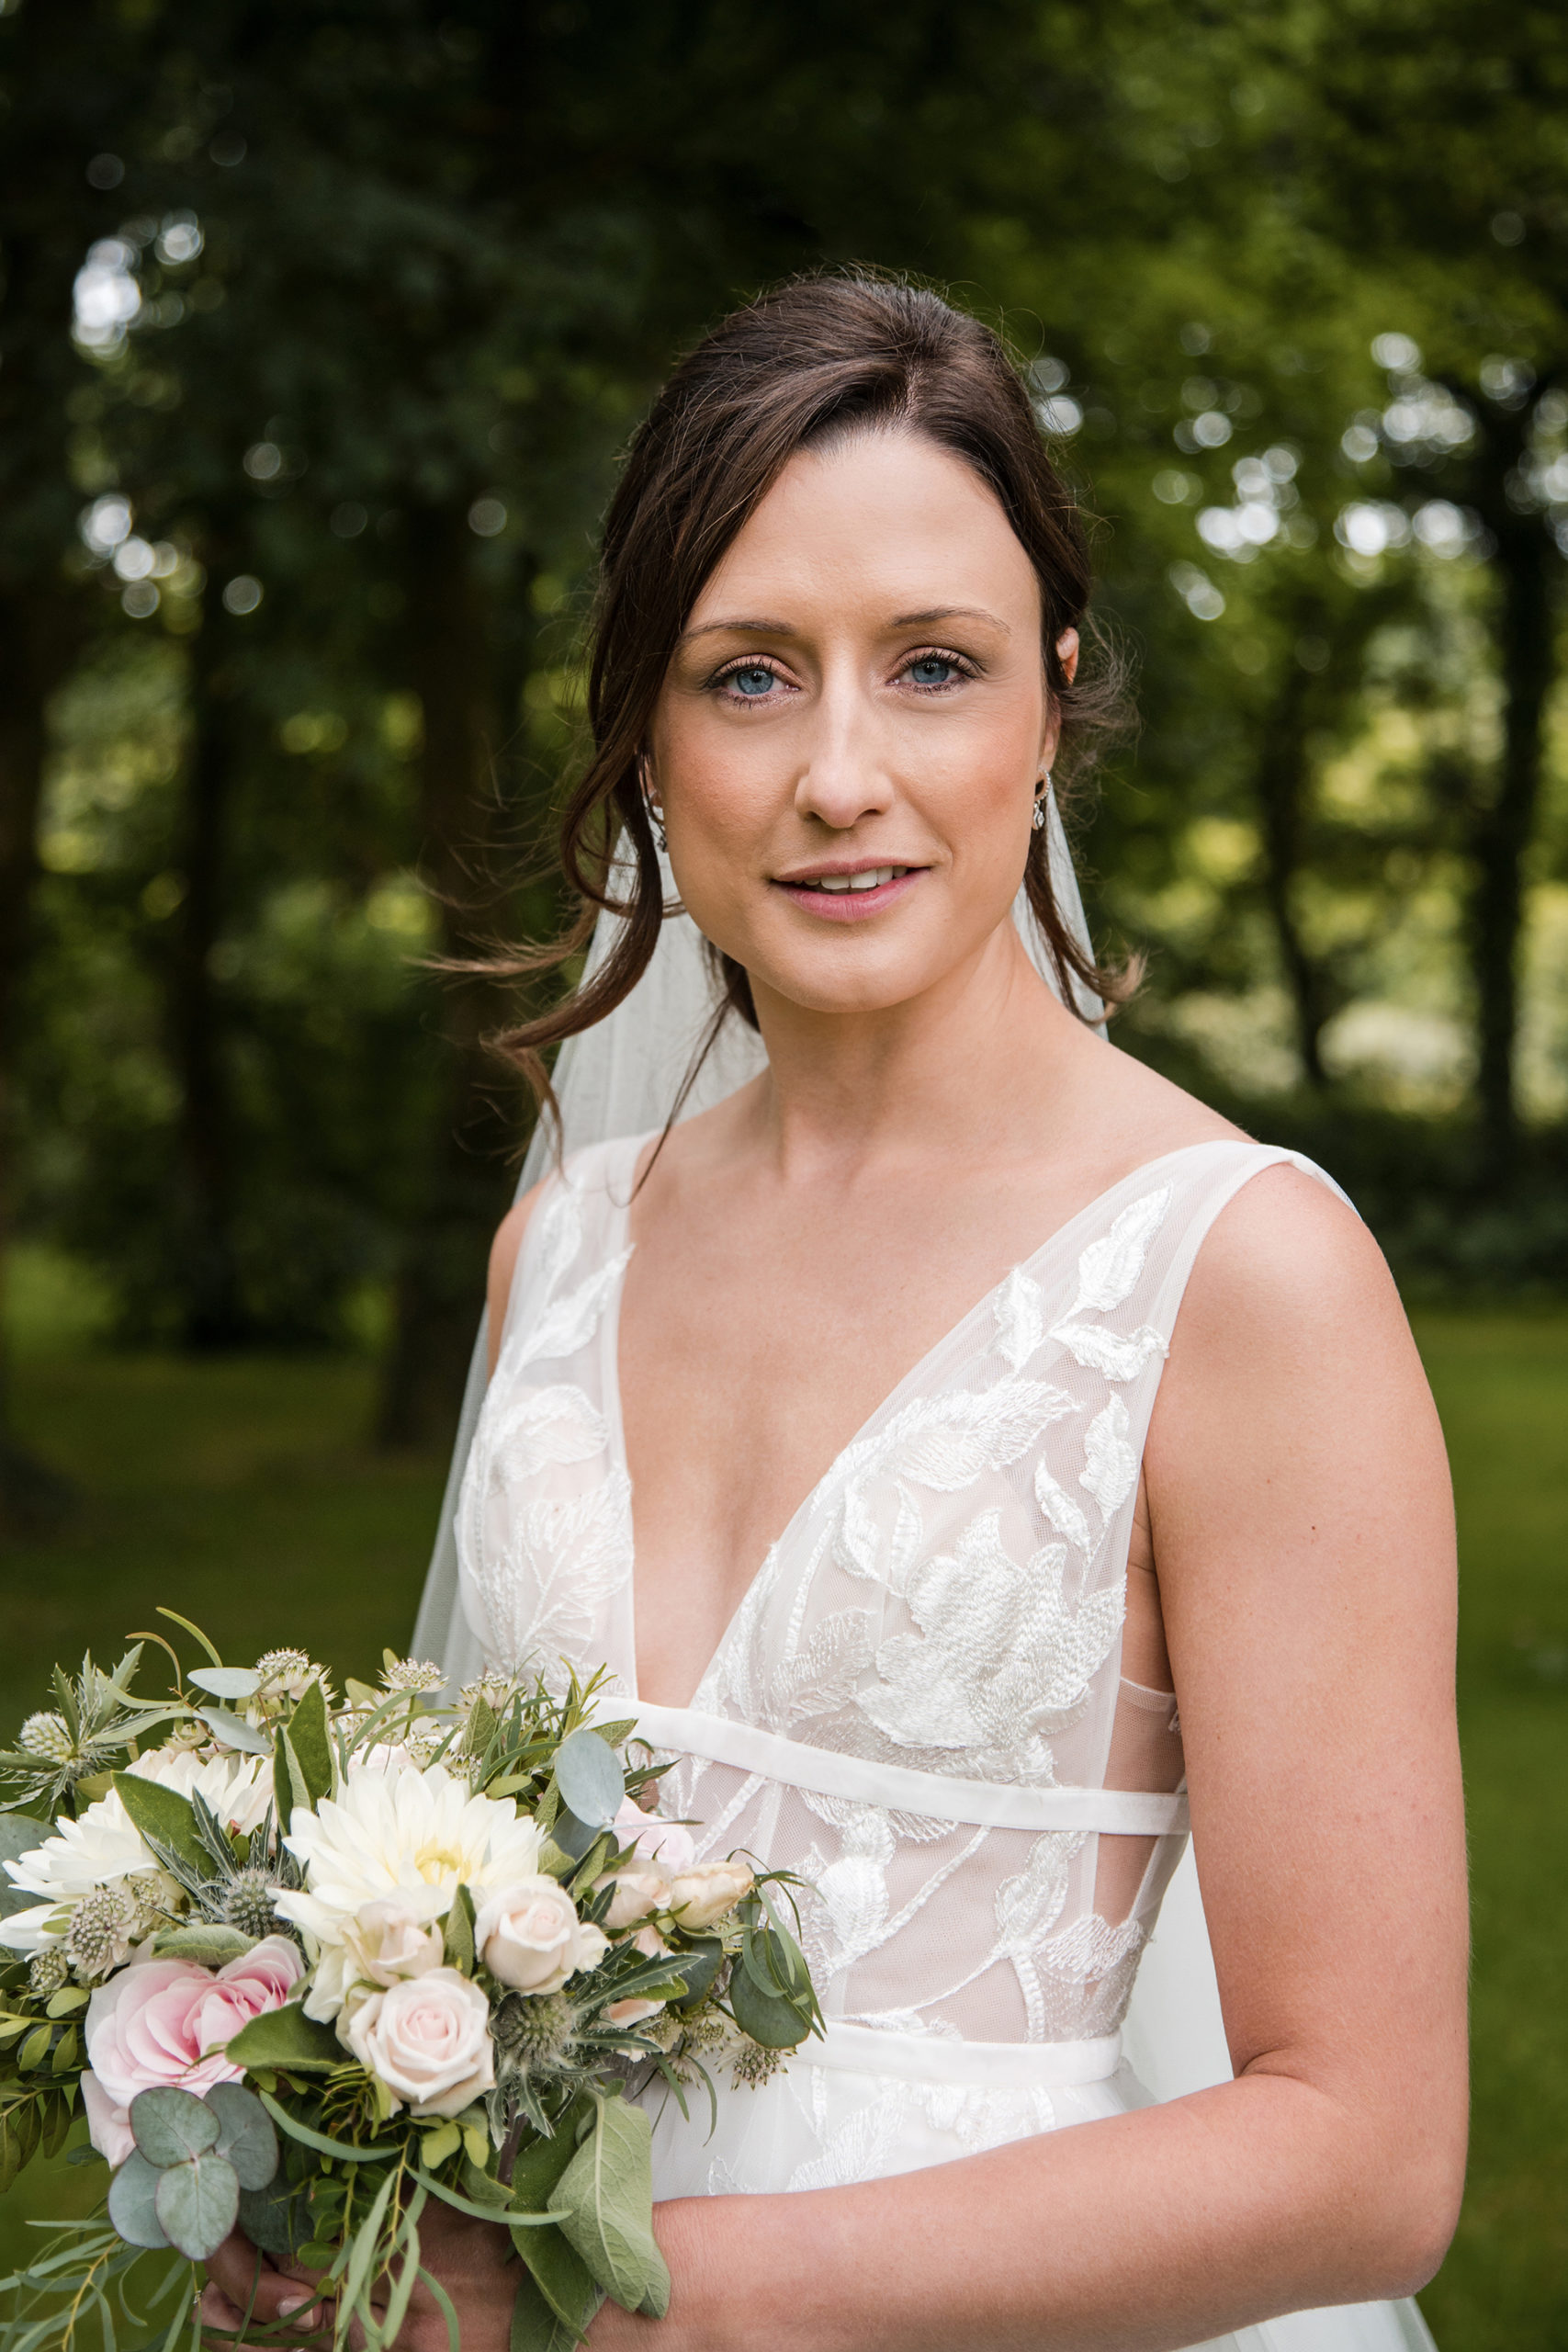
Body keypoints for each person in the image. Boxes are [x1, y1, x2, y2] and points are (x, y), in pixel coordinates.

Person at [205, 274, 1467, 2350]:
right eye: (750, 675)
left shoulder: (1236, 1273)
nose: (838, 774)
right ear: (645, 728)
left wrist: (648, 2305)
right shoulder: (566, 1251)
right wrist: (325, 2163)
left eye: (935, 667)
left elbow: (1366, 2148)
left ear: (1050, 703)